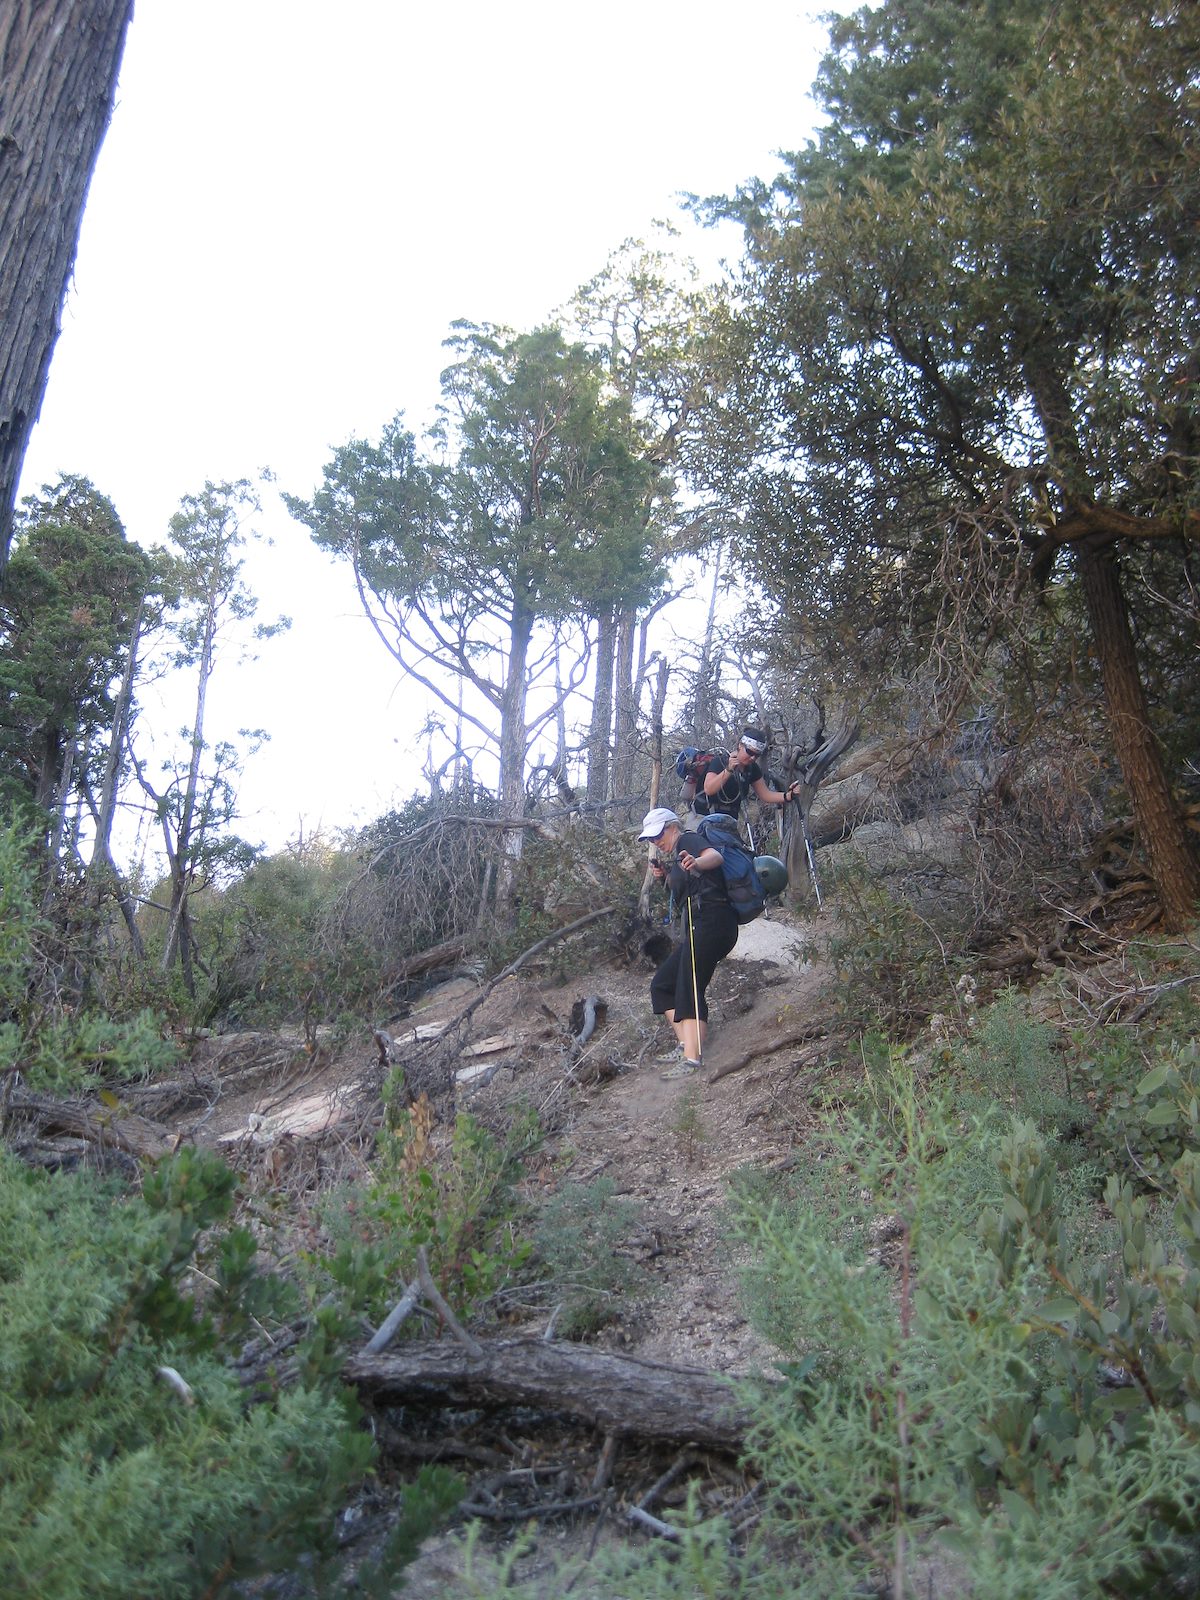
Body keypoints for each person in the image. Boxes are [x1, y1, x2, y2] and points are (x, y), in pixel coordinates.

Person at [637, 805, 739, 1079]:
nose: (656, 841)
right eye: (651, 838)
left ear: (673, 826)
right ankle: (686, 1045)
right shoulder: (678, 854)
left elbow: (714, 857)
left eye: (659, 834)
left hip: (713, 922)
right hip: (700, 926)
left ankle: (692, 1059)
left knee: (689, 984)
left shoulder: (688, 839)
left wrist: (697, 862)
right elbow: (688, 887)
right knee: (663, 985)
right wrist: (665, 877)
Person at [701, 726, 798, 820]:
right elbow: (709, 789)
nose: (753, 758)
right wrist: (728, 770)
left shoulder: (752, 768)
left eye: (757, 755)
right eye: (750, 752)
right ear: (740, 745)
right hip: (704, 815)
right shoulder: (720, 761)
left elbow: (765, 794)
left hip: (730, 820)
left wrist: (789, 796)